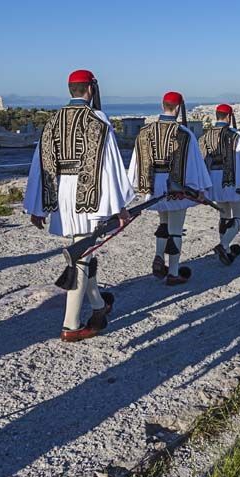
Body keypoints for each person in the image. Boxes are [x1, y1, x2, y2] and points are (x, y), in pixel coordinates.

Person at [24, 69, 134, 341]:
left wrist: (37, 207)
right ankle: (71, 326)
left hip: (61, 194)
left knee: (83, 251)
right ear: (91, 89)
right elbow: (110, 164)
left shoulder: (53, 120)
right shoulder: (98, 120)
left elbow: (40, 165)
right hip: (89, 195)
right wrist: (120, 206)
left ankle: (98, 306)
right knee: (82, 255)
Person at [127, 92, 212, 285]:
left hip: (153, 184)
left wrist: (138, 184)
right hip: (175, 185)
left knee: (163, 222)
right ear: (179, 107)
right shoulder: (185, 134)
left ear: (162, 105)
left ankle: (159, 256)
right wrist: (199, 189)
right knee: (176, 229)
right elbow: (193, 165)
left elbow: (136, 160)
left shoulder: (145, 131)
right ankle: (173, 272)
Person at [198, 103, 240, 265]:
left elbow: (201, 161)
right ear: (229, 117)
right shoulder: (235, 135)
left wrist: (203, 185)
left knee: (224, 215)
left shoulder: (205, 136)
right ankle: (224, 245)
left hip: (213, 179)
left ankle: (226, 248)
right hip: (233, 179)